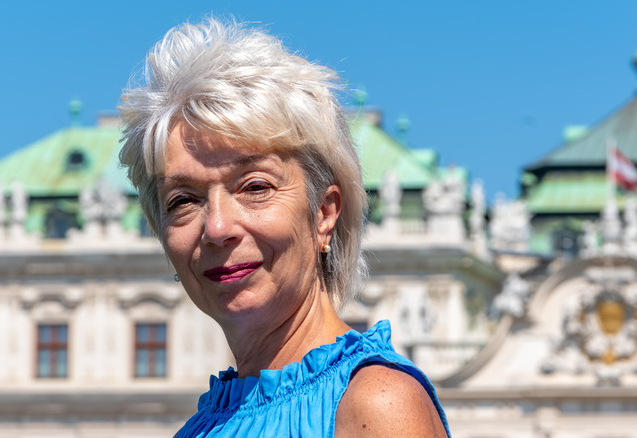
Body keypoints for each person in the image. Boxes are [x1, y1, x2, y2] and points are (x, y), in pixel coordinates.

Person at [119, 18, 450, 437]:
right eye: (183, 200)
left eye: (255, 187)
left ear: (324, 214)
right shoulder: (201, 427)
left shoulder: (374, 402)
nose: (217, 227)